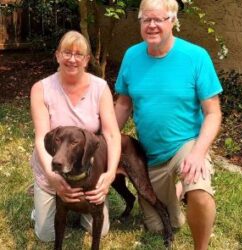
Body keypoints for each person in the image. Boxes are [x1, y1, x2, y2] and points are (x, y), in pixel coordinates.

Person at [114, 0, 222, 249]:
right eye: (146, 19)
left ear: (172, 21)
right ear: (140, 21)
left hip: (187, 144)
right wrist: (105, 141)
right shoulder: (132, 56)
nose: (152, 25)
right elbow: (123, 105)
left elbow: (213, 113)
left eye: (159, 19)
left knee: (199, 191)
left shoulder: (196, 57)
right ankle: (176, 191)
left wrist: (197, 153)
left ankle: (200, 246)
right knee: (163, 225)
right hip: (150, 155)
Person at [30, 30, 121, 242]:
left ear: (87, 59)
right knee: (45, 235)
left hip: (86, 173)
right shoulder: (41, 89)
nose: (72, 59)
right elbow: (41, 137)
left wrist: (109, 174)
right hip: (52, 169)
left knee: (101, 229)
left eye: (79, 54)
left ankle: (76, 207)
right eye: (67, 53)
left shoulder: (100, 88)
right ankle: (41, 201)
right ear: (57, 56)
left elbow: (112, 134)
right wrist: (53, 179)